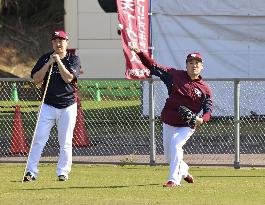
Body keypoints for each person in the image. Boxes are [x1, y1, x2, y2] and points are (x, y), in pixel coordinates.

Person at [130, 47, 213, 187]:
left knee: (176, 143)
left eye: (197, 63)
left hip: (188, 124)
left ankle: (174, 180)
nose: (194, 65)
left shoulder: (205, 89)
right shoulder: (175, 75)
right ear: (186, 65)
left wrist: (201, 119)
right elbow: (153, 66)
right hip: (169, 120)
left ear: (202, 66)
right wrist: (140, 53)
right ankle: (184, 171)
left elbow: (208, 111)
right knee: (170, 157)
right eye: (191, 62)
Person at [23, 30, 81, 182]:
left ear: (66, 42)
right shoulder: (45, 58)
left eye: (61, 40)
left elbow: (69, 78)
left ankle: (63, 172)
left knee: (66, 141)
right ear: (52, 43)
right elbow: (36, 79)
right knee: (38, 139)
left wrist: (58, 62)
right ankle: (31, 172)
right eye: (55, 40)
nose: (58, 43)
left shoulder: (73, 59)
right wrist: (49, 63)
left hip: (68, 106)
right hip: (47, 105)